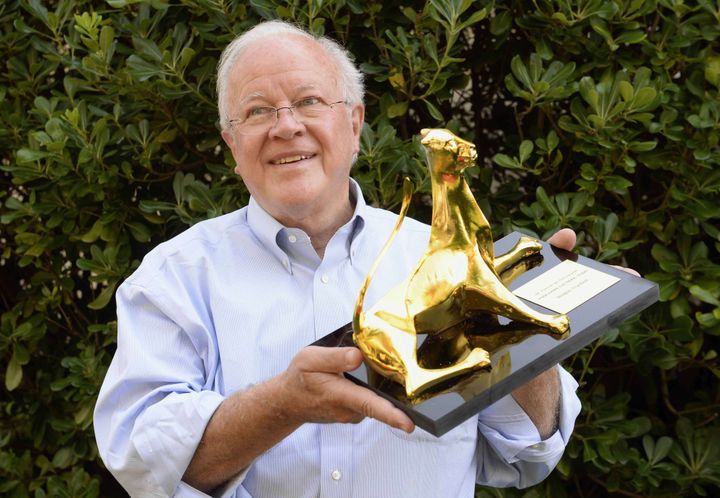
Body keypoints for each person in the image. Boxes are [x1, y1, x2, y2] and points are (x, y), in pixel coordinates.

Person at [94, 20, 582, 498]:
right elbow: (147, 467)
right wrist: (284, 404)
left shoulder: (440, 259)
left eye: (308, 101)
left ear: (354, 124)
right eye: (259, 111)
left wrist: (526, 333)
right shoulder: (172, 279)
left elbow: (528, 450)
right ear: (232, 145)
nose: (287, 126)